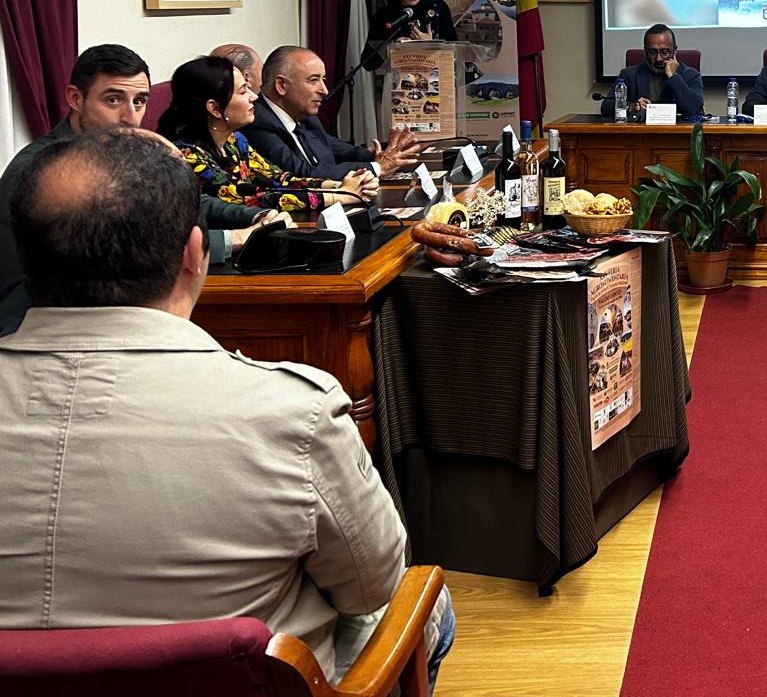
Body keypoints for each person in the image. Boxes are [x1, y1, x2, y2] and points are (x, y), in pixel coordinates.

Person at [0, 129, 453, 689]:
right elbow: (374, 584)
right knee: (430, 604)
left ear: (24, 259)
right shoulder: (296, 411)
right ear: (195, 255)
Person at [0, 44, 273, 336]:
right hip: (31, 330)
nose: (131, 118)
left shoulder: (112, 148)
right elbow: (134, 248)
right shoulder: (51, 170)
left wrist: (254, 216)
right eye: (113, 100)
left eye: (140, 101)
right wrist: (234, 239)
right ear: (75, 98)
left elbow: (180, 196)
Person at [157, 55, 366, 213]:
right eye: (242, 92)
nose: (253, 97)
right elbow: (256, 199)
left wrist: (340, 185)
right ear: (214, 108)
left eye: (249, 88)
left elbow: (278, 179)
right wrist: (339, 196)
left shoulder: (234, 140)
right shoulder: (186, 156)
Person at [245, 45, 421, 181]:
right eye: (313, 80)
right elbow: (301, 174)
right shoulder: (257, 122)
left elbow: (337, 148)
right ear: (281, 86)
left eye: (324, 80)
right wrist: (376, 167)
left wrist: (378, 154)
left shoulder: (305, 118)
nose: (324, 90)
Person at [600, 24, 705, 117]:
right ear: (645, 51)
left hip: (679, 134)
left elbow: (696, 109)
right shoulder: (628, 75)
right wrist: (630, 107)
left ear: (674, 51)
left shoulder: (690, 75)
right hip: (640, 135)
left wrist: (673, 76)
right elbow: (606, 107)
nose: (659, 58)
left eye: (664, 52)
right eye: (652, 52)